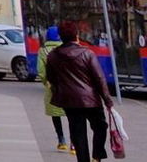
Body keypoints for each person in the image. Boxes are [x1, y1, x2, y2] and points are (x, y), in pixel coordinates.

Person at [43, 21, 112, 162]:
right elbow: (99, 78)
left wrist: (61, 89)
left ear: (61, 37)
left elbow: (51, 78)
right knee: (100, 127)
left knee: (78, 134)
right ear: (77, 35)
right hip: (91, 100)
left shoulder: (53, 56)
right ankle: (97, 156)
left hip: (69, 102)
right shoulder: (87, 53)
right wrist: (107, 100)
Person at [36, 28, 69, 153]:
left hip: (52, 88)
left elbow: (41, 71)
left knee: (56, 114)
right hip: (68, 88)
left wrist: (47, 83)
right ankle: (74, 144)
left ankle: (61, 141)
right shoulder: (67, 49)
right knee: (72, 115)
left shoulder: (43, 51)